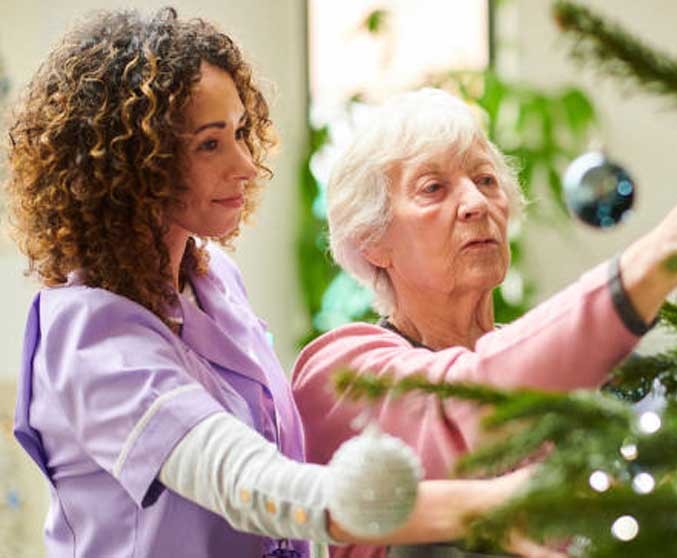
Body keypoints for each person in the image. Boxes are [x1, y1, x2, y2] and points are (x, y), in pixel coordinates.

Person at [5, 10, 560, 558]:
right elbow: (250, 484)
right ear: (133, 164)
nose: (247, 164)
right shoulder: (90, 335)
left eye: (240, 133)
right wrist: (480, 504)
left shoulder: (216, 283)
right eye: (210, 143)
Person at [291, 87, 677, 558]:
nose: (477, 204)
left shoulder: (561, 369)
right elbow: (473, 404)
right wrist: (657, 259)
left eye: (486, 181)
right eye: (433, 189)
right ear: (372, 240)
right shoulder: (339, 372)